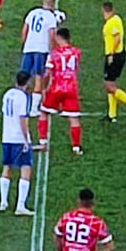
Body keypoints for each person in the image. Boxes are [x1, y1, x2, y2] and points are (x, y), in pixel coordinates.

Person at [39, 27, 84, 156]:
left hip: (57, 87)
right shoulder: (77, 52)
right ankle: (76, 147)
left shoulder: (54, 54)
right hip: (71, 88)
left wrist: (44, 87)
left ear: (58, 38)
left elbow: (47, 73)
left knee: (44, 112)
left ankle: (43, 141)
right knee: (73, 118)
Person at [0, 71, 37, 216]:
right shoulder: (23, 97)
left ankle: (3, 201)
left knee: (7, 168)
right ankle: (20, 205)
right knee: (26, 168)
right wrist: (26, 138)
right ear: (27, 82)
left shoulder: (8, 94)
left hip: (6, 136)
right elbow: (23, 119)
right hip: (18, 138)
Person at [101, 1, 126, 123]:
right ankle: (112, 115)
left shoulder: (113, 22)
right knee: (111, 84)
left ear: (106, 11)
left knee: (109, 86)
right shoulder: (115, 19)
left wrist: (111, 54)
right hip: (115, 55)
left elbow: (117, 38)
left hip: (115, 56)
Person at [20, 0, 65, 98]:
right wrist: (53, 50)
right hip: (41, 49)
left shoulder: (32, 12)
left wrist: (25, 43)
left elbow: (24, 30)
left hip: (29, 48)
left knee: (24, 75)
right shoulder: (50, 16)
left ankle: (21, 98)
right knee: (38, 76)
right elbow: (52, 35)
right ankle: (35, 105)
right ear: (53, 5)